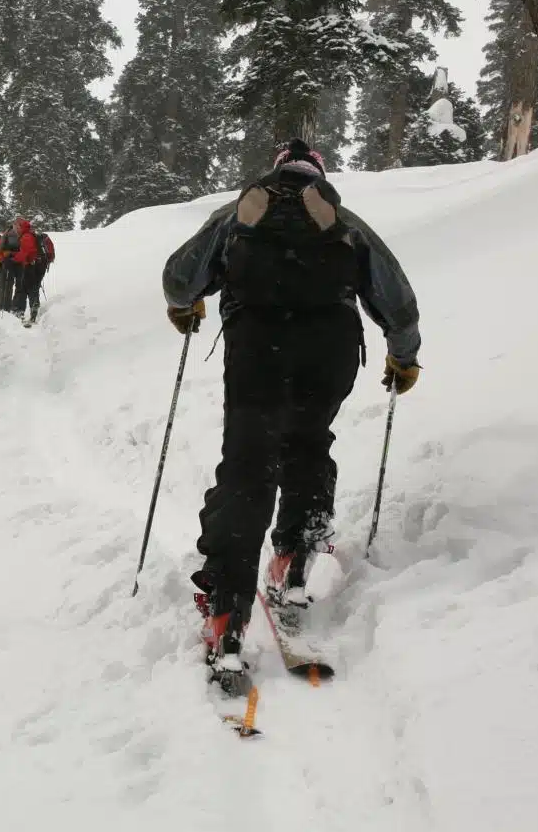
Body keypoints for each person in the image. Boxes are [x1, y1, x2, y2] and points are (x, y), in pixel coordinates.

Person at [161, 138, 422, 689]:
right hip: (328, 352)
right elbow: (395, 296)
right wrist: (404, 356)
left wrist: (186, 306)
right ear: (320, 178)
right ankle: (294, 562)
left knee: (249, 466)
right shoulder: (343, 222)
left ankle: (228, 609)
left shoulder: (239, 216)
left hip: (258, 350)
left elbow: (179, 275)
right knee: (307, 442)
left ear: (275, 171)